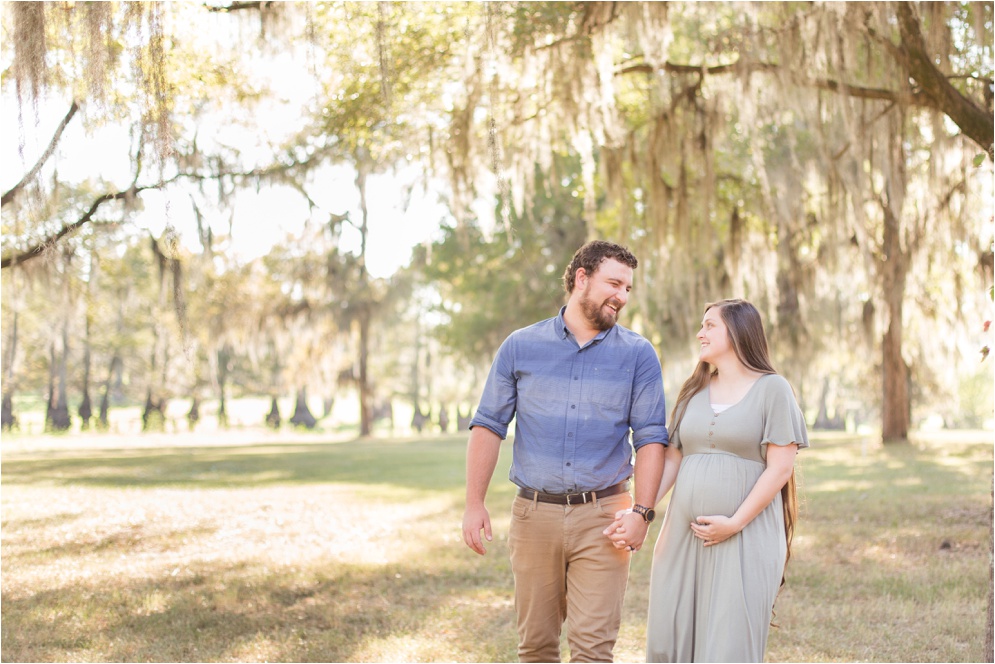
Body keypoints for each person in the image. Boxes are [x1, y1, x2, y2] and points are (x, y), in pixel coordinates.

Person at [462, 239, 669, 663]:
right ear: (581, 278)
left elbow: (650, 438)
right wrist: (473, 503)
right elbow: (488, 425)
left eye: (628, 288)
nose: (622, 296)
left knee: (594, 650)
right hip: (534, 517)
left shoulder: (638, 355)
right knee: (536, 648)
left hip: (606, 516)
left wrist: (643, 513)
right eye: (614, 283)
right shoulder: (521, 346)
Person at [606, 298, 808, 663]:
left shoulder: (773, 389)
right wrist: (642, 510)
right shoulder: (694, 391)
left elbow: (780, 468)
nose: (700, 333)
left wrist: (734, 523)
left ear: (739, 331)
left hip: (746, 534)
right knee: (671, 633)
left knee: (728, 641)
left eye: (710, 325)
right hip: (682, 535)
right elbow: (672, 460)